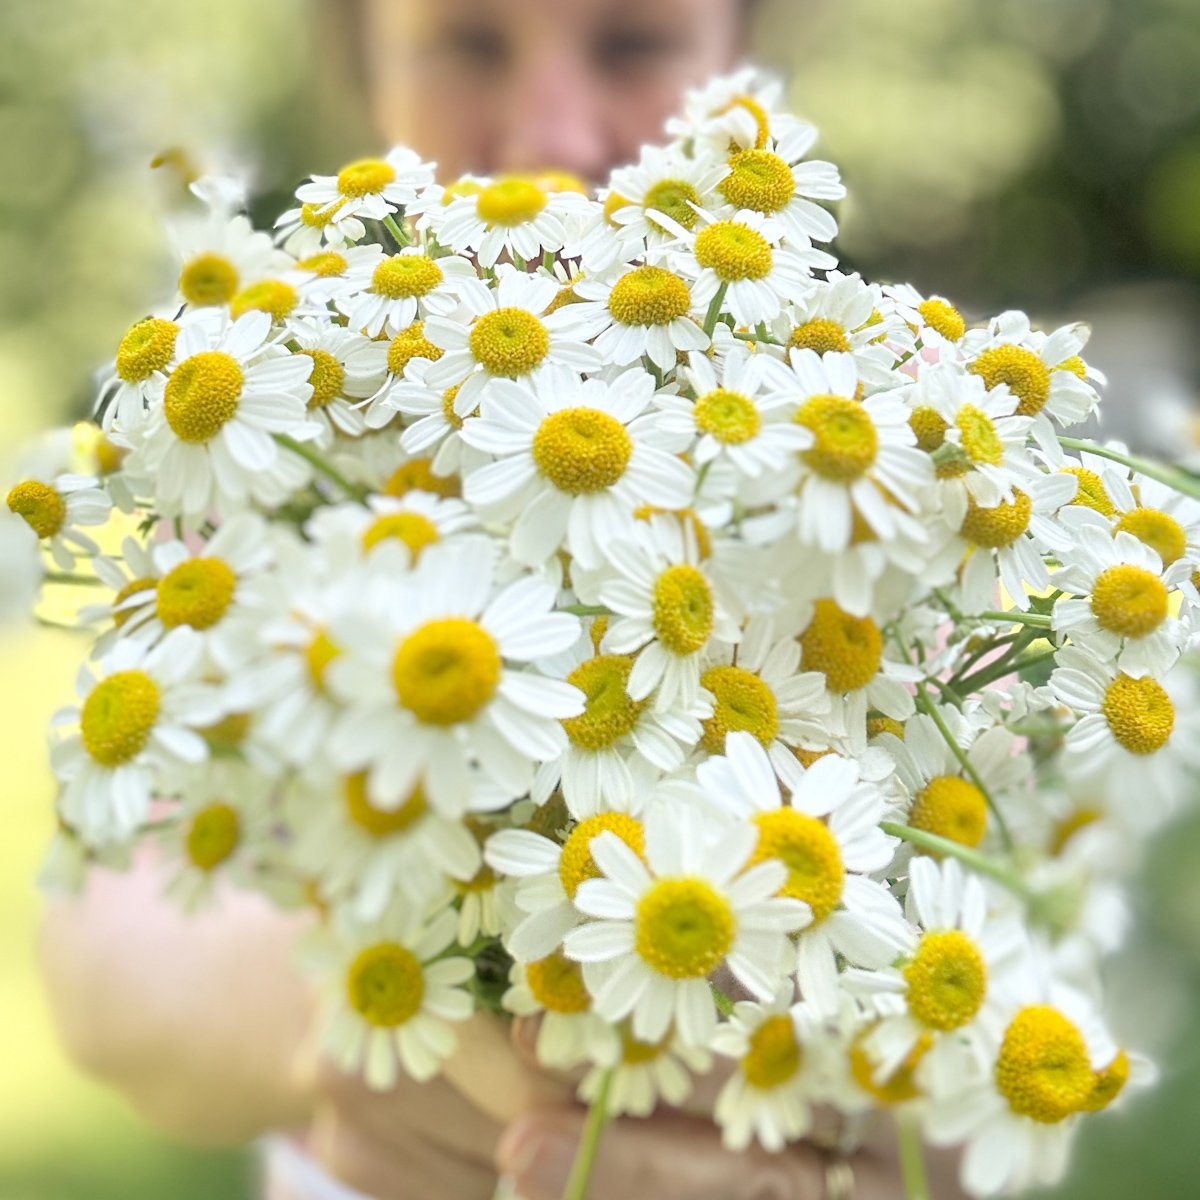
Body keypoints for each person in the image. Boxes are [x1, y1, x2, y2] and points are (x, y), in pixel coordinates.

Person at [42, 1, 968, 1196]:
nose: (550, 134)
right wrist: (353, 1019)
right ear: (365, 72)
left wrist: (907, 1121)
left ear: (741, 68)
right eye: (468, 43)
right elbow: (108, 947)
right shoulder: (282, 412)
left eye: (632, 42)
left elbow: (1005, 897)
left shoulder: (890, 430)